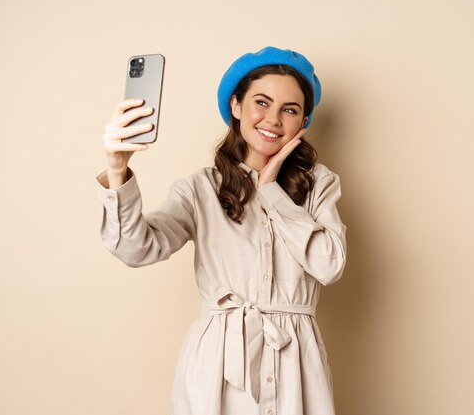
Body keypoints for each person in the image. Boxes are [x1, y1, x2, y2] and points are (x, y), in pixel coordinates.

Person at [96, 46, 347, 415]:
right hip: (217, 368)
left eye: (289, 110)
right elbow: (135, 249)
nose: (273, 119)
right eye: (261, 102)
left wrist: (271, 191)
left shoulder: (318, 185)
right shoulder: (200, 189)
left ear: (303, 123)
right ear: (235, 106)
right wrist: (117, 167)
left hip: (296, 363)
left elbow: (330, 266)